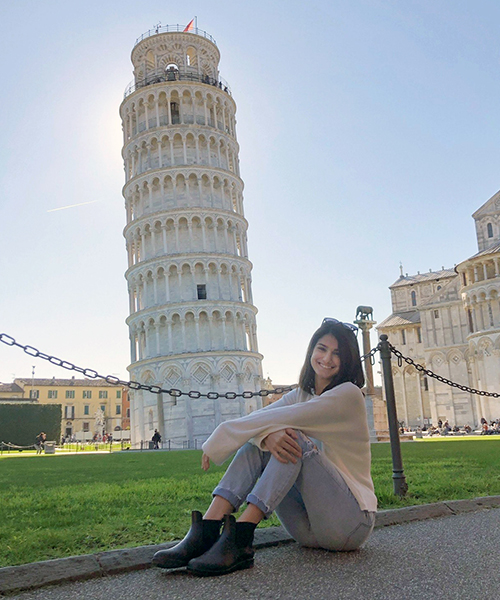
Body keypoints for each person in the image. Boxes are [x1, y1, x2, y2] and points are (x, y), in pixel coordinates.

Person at [152, 318, 377, 576]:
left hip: (350, 524)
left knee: (290, 440)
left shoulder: (349, 395)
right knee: (266, 440)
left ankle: (240, 537)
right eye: (322, 348)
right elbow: (260, 422)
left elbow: (272, 420)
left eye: (337, 353)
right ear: (312, 350)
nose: (327, 358)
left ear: (348, 360)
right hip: (307, 529)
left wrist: (223, 436)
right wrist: (265, 437)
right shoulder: (299, 395)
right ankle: (208, 527)